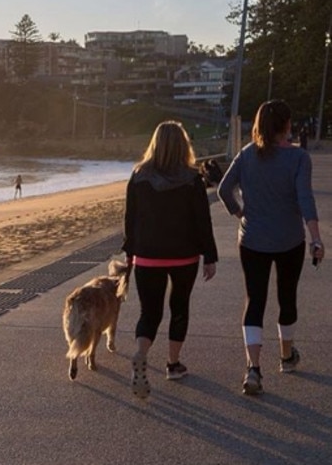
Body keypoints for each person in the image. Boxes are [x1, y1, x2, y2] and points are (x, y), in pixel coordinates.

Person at [217, 99, 324, 396]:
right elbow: (306, 200)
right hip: (289, 241)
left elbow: (225, 189)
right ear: (287, 125)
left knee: (255, 300)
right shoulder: (299, 158)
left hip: (252, 240)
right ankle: (287, 357)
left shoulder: (247, 154)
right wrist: (316, 239)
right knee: (286, 298)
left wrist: (239, 213)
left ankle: (253, 368)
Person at [122, 120, 218, 399]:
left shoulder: (139, 175)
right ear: (183, 145)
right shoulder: (191, 178)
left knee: (149, 313)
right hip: (183, 255)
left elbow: (130, 219)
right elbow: (202, 220)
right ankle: (173, 365)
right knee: (179, 308)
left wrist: (131, 252)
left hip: (148, 256)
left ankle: (141, 354)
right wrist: (209, 255)